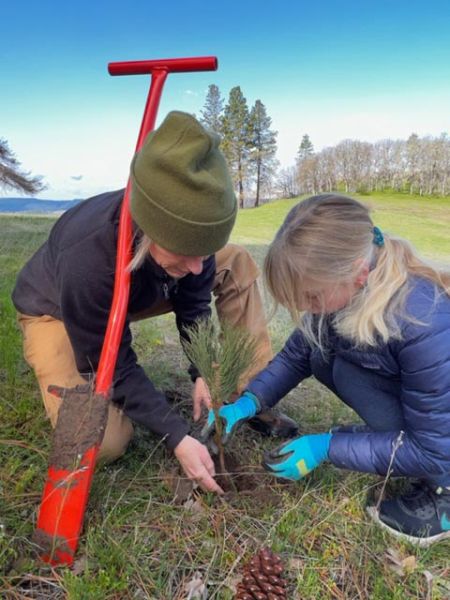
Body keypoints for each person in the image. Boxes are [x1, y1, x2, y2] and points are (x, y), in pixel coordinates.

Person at [12, 111, 297, 495]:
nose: (199, 266)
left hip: (144, 282)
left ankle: (249, 395)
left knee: (237, 260)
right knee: (107, 443)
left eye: (205, 251)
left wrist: (202, 373)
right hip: (57, 312)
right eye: (187, 251)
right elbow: (109, 361)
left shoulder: (195, 239)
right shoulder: (88, 259)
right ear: (150, 230)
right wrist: (176, 435)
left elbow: (194, 306)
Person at [203, 193, 450, 545]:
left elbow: (433, 447)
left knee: (433, 453)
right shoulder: (344, 296)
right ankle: (392, 438)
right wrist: (247, 403)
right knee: (323, 356)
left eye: (312, 298)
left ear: (357, 274)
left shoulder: (422, 320)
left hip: (442, 442)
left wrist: (327, 447)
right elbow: (295, 357)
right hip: (433, 422)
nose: (307, 308)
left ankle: (444, 492)